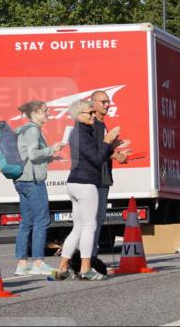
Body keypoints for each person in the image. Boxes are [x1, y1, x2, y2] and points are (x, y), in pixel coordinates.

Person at [53, 100, 119, 281]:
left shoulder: (79, 132)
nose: (93, 115)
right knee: (90, 226)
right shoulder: (81, 133)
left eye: (92, 112)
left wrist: (109, 145)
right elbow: (97, 159)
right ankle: (85, 268)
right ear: (79, 115)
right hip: (85, 183)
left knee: (78, 227)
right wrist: (107, 140)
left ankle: (63, 267)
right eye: (89, 113)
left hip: (74, 182)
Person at [12, 100, 65, 275]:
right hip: (33, 181)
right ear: (35, 114)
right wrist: (52, 149)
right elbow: (33, 155)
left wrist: (51, 158)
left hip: (21, 179)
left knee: (26, 222)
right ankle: (38, 263)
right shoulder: (34, 130)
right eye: (45, 111)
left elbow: (27, 155)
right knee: (42, 220)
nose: (48, 114)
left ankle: (21, 264)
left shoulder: (24, 129)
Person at [88, 90, 132, 272]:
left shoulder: (101, 125)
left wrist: (117, 146)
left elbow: (103, 148)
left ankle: (88, 257)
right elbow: (99, 152)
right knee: (94, 221)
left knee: (94, 221)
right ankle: (89, 258)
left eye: (108, 101)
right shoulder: (96, 125)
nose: (107, 104)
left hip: (101, 178)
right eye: (103, 101)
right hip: (97, 179)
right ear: (93, 104)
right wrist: (118, 155)